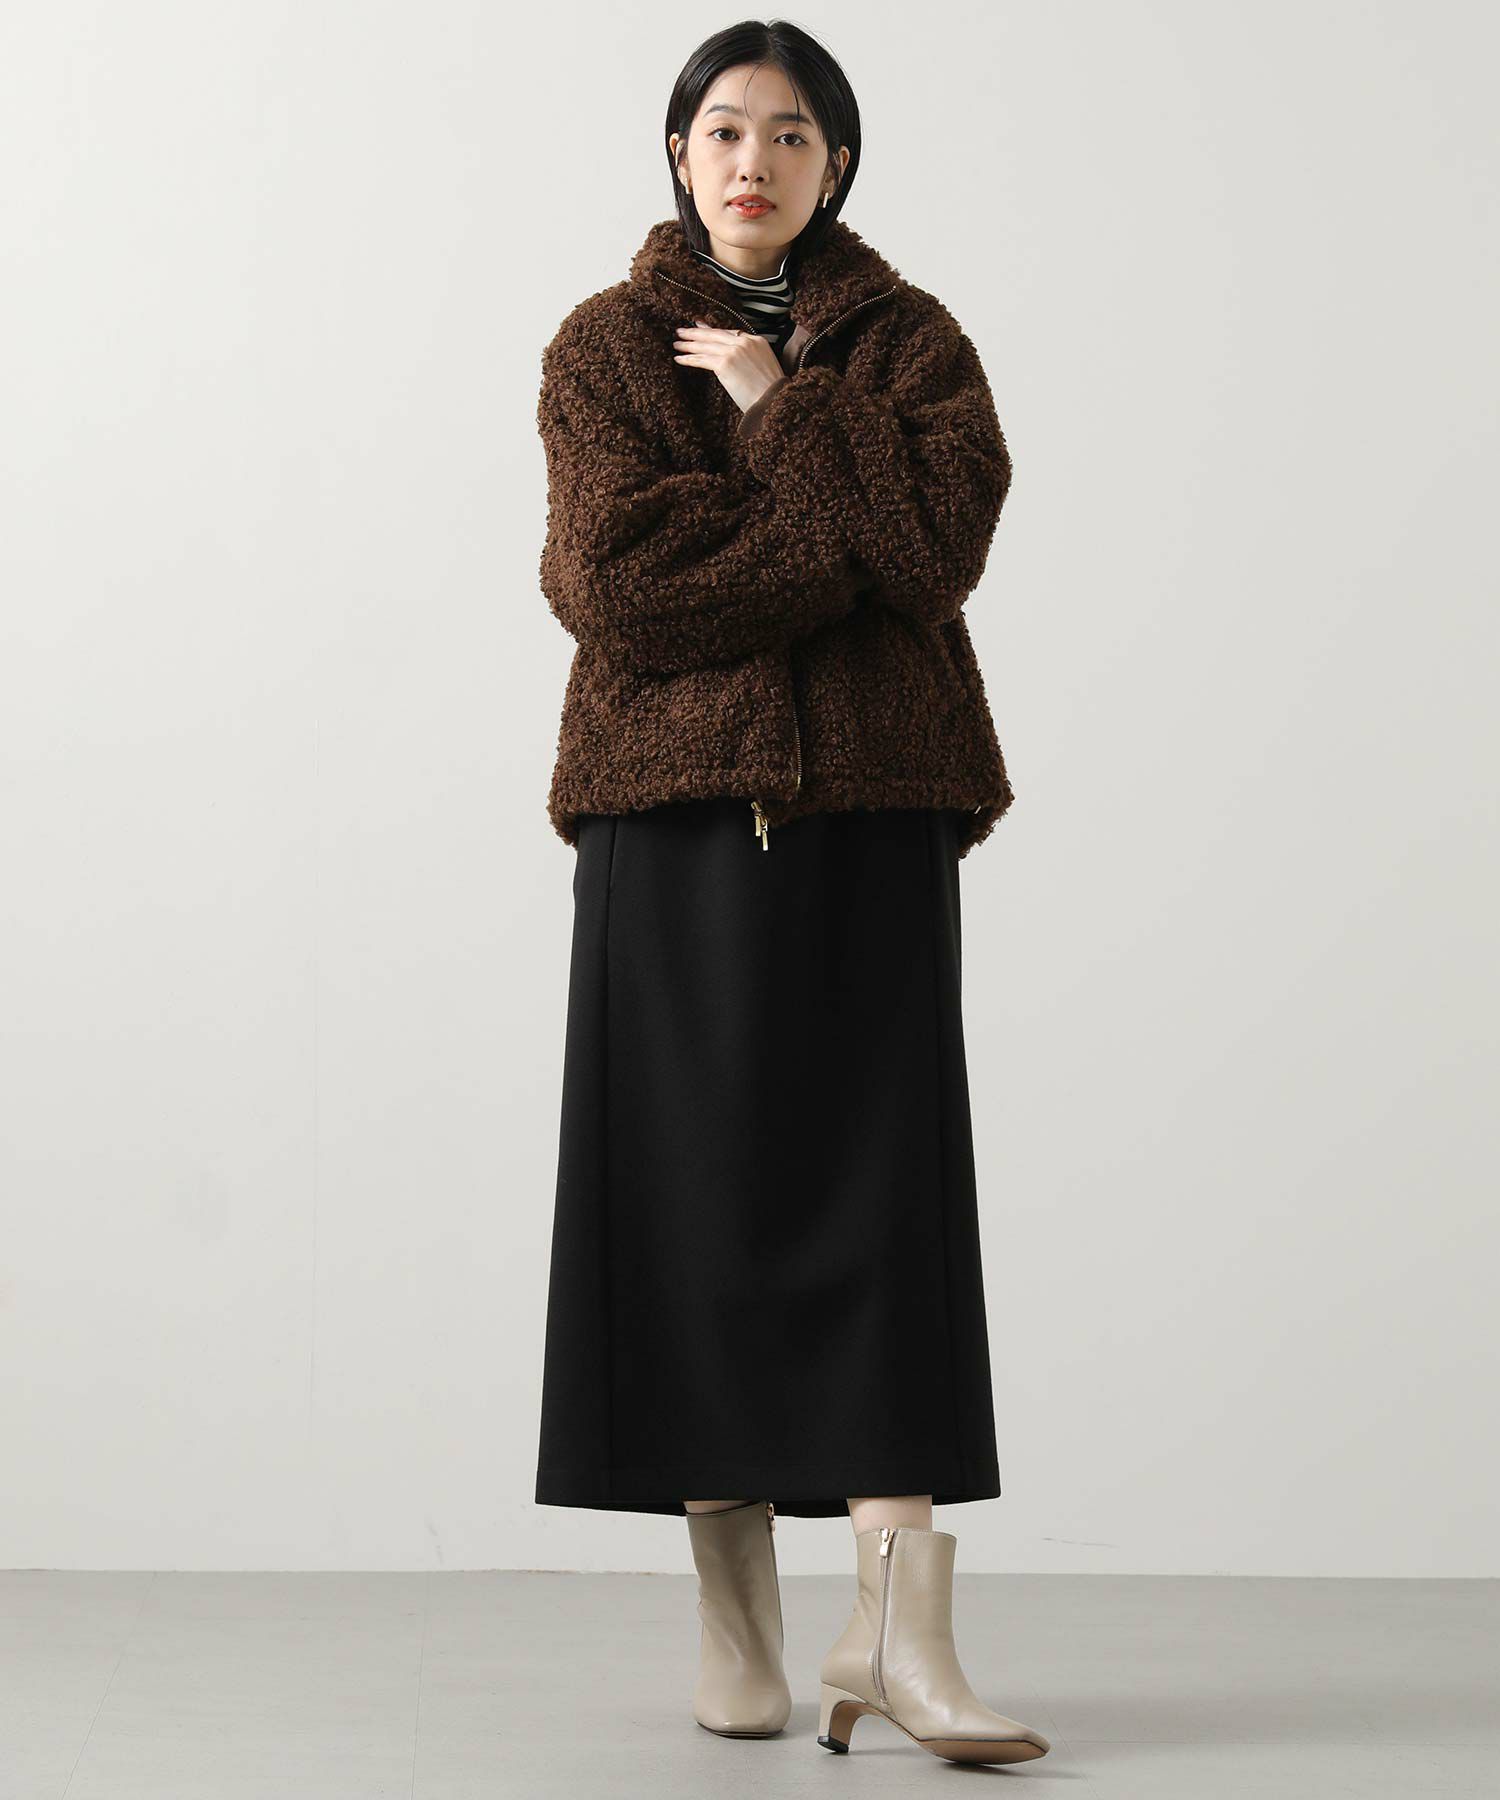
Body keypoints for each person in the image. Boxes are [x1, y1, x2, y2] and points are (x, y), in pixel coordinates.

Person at [530, 19, 1049, 1769]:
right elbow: (620, 584)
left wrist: (783, 406)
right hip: (671, 816)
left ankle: (899, 1632)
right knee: (691, 1195)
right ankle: (738, 1622)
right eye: (724, 130)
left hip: (875, 807)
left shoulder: (914, 345)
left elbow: (937, 555)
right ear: (679, 153)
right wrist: (839, 530)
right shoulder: (604, 347)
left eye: (793, 133)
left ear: (837, 164)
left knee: (884, 1199)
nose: (754, 160)